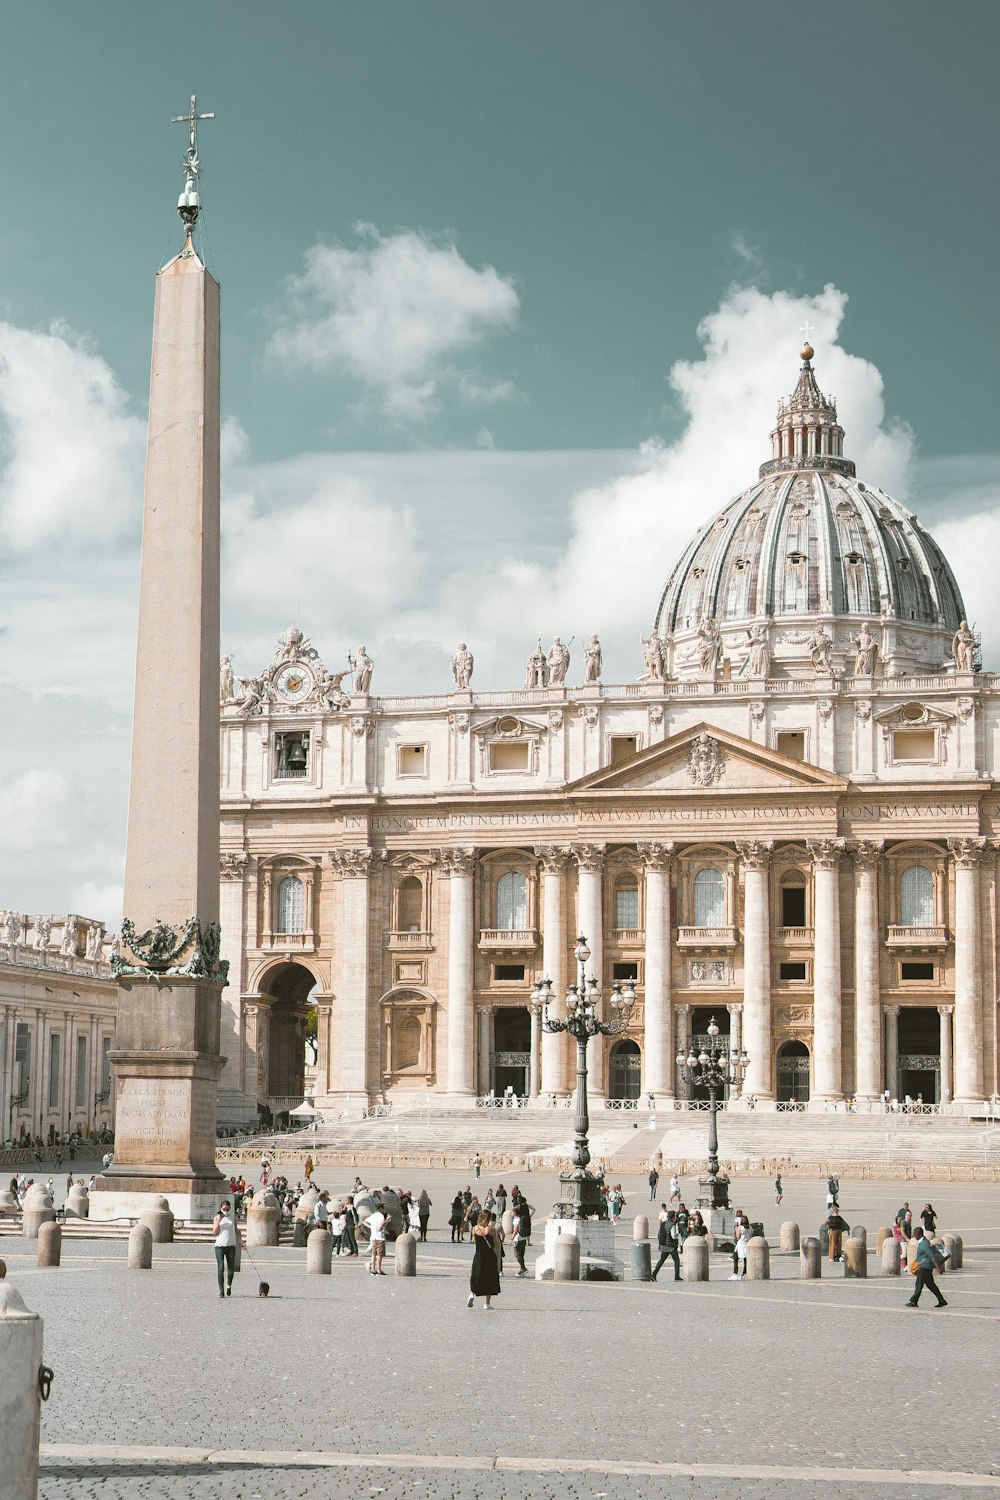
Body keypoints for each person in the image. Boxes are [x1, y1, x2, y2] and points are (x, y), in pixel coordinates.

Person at [906, 1225, 947, 1309]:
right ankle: (941, 1300)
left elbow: (932, 1256)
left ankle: (914, 1301)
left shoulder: (925, 1243)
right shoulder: (922, 1241)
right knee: (931, 1285)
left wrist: (938, 1267)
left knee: (919, 1283)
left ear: (919, 1234)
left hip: (925, 1266)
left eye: (915, 1234)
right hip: (925, 1266)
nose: (914, 1236)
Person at [468, 1209, 502, 1310]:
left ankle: (471, 1294)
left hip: (478, 1256)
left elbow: (474, 1241)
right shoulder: (491, 1229)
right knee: (489, 1278)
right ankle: (487, 1303)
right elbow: (495, 1243)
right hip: (489, 1256)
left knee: (476, 1275)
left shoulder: (474, 1229)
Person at [213, 1199, 241, 1299]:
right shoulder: (217, 1218)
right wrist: (219, 1221)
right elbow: (215, 1233)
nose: (226, 1211)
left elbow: (237, 1230)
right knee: (220, 1268)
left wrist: (241, 1242)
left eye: (227, 1209)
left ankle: (229, 1286)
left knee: (231, 1269)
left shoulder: (233, 1218)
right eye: (224, 1209)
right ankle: (221, 1291)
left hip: (231, 1245)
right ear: (220, 1209)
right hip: (219, 1246)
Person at [651, 1210, 681, 1282]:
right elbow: (673, 1236)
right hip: (671, 1246)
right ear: (673, 1217)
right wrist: (677, 1235)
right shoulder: (672, 1225)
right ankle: (677, 1276)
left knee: (661, 1260)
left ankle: (654, 1274)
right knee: (677, 1261)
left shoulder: (663, 1224)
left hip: (663, 1245)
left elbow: (658, 1234)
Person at [368, 1204, 388, 1275]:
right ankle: (379, 1269)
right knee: (379, 1255)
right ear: (381, 1208)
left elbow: (364, 1222)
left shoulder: (373, 1215)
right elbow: (381, 1227)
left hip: (373, 1237)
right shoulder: (381, 1216)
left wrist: (370, 1227)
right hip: (380, 1237)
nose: (385, 1210)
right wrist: (387, 1220)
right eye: (384, 1208)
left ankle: (373, 1269)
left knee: (373, 1254)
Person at [511, 1201, 529, 1277]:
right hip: (523, 1239)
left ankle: (523, 1268)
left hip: (518, 1239)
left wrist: (511, 1238)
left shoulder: (516, 1220)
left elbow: (515, 1230)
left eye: (512, 1212)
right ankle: (522, 1269)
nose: (511, 1213)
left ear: (515, 1212)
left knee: (517, 1254)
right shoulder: (521, 1218)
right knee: (521, 1255)